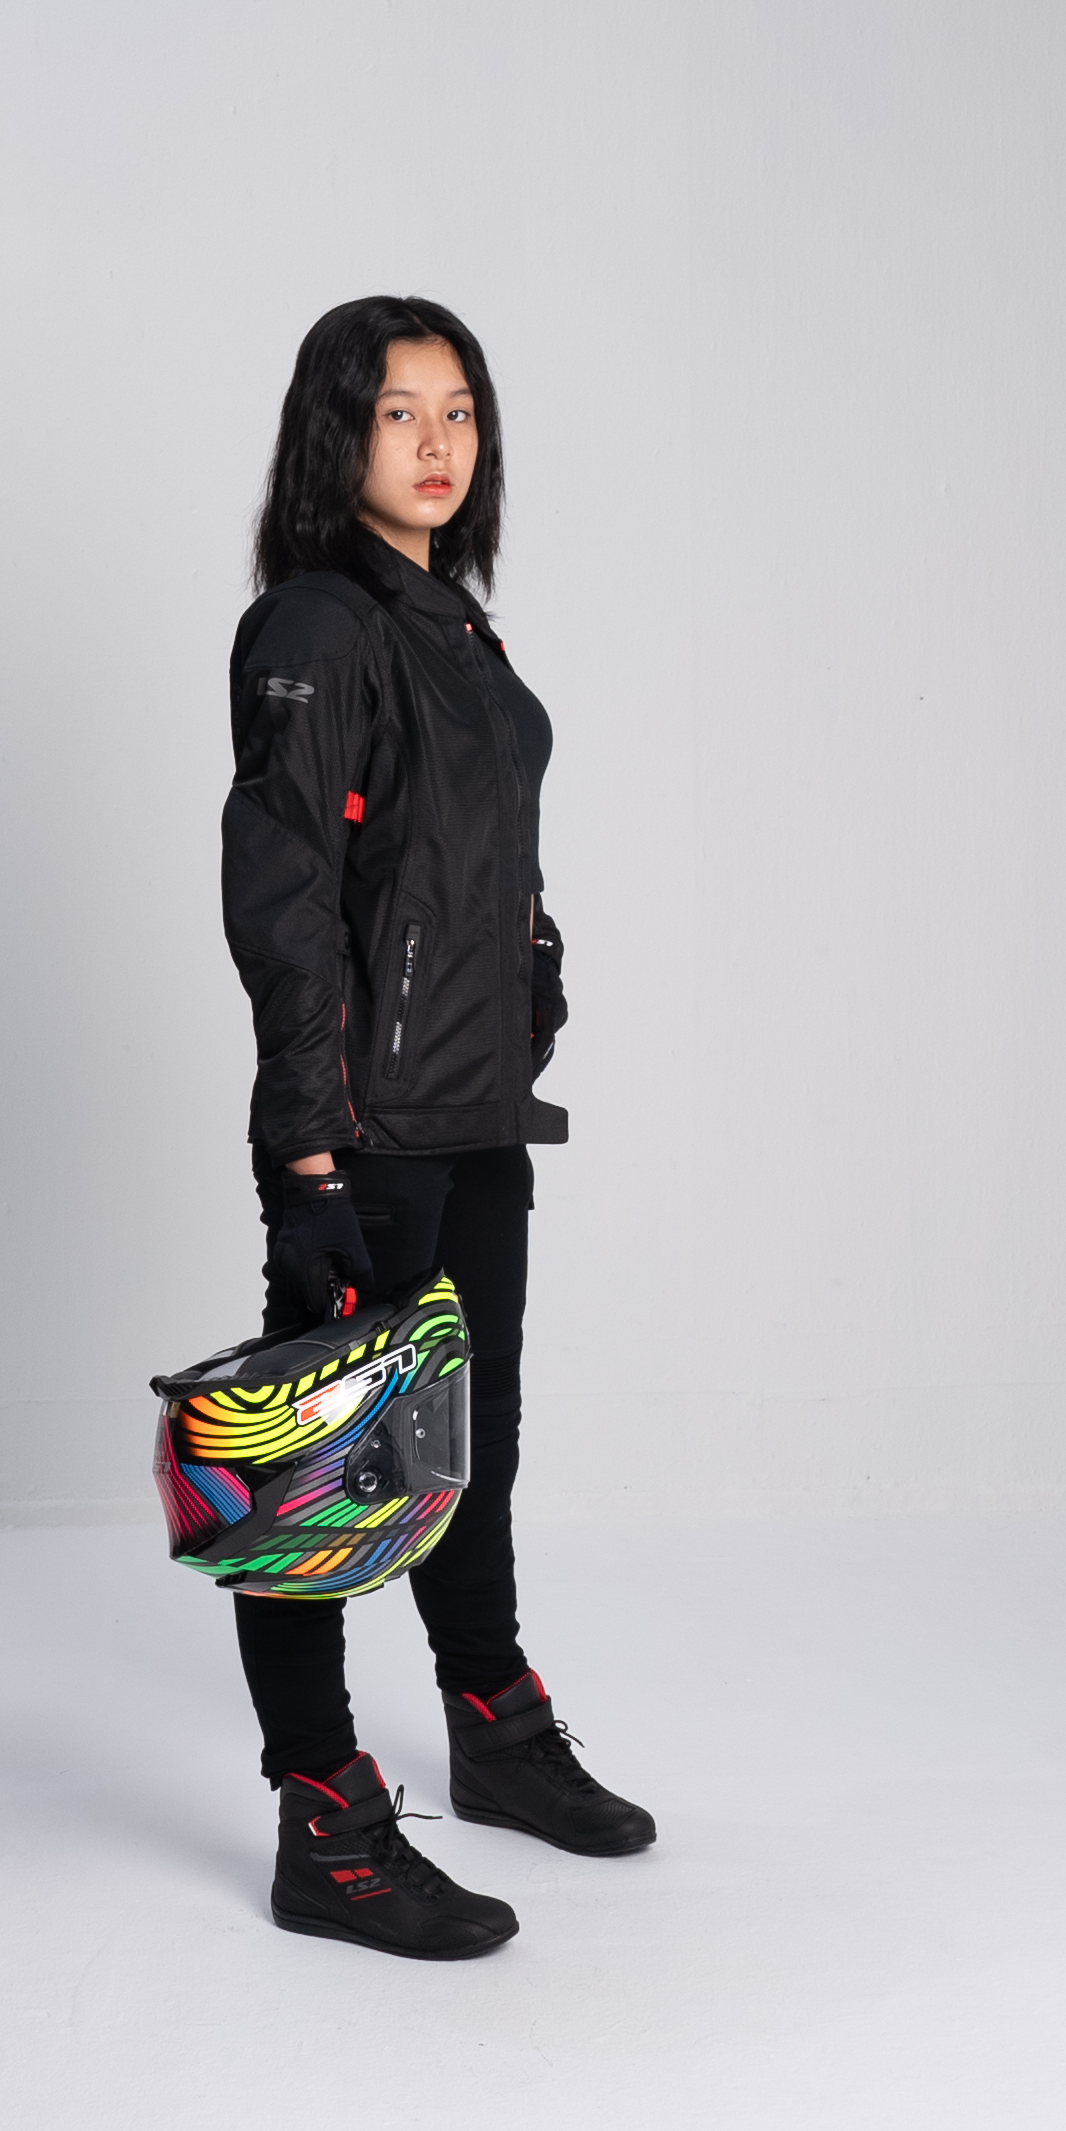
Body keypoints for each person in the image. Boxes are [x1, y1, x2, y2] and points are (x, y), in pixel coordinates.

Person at [221, 295, 654, 1960]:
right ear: (337, 433)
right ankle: (325, 1823)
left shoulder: (456, 627)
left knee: (473, 1445)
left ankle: (494, 1727)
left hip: (474, 1113)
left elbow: (472, 851)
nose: (437, 442)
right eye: (400, 411)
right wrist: (305, 1155)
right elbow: (285, 899)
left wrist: (537, 960)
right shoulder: (316, 627)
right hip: (367, 1127)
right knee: (320, 1473)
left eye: (460, 410)